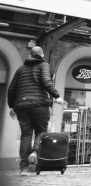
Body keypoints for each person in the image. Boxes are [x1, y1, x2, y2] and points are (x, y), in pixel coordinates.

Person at [7, 46, 64, 176]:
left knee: (25, 136)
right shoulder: (44, 65)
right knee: (41, 132)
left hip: (21, 106)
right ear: (41, 55)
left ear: (30, 55)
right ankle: (35, 152)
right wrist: (57, 96)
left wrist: (11, 106)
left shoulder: (20, 70)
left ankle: (24, 169)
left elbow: (11, 89)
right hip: (40, 105)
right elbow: (46, 81)